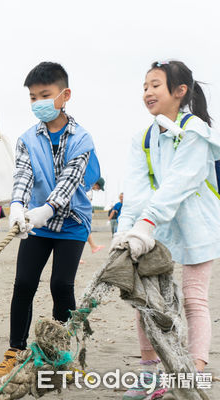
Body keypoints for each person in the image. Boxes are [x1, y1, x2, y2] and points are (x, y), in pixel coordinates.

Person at [112, 60, 220, 400]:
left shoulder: (196, 132)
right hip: (158, 227)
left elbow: (177, 184)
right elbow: (136, 189)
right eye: (145, 86)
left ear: (179, 91)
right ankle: (149, 377)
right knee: (145, 298)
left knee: (194, 298)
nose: (147, 92)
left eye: (155, 85)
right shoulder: (143, 138)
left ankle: (194, 374)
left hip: (198, 226)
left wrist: (146, 223)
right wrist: (126, 230)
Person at [0, 62, 100, 382]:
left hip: (72, 223)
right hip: (36, 223)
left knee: (61, 285)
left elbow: (68, 182)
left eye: (45, 95)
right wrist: (18, 206)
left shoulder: (83, 139)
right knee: (24, 283)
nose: (38, 102)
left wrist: (46, 209)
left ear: (64, 95)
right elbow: (22, 175)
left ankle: (63, 352)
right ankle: (16, 350)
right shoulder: (26, 138)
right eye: (33, 97)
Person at [85, 177, 106, 254]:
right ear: (96, 184)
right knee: (84, 231)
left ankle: (93, 246)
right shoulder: (87, 189)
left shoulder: (88, 189)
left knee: (85, 232)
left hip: (84, 213)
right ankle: (93, 246)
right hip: (82, 214)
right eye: (99, 188)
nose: (98, 189)